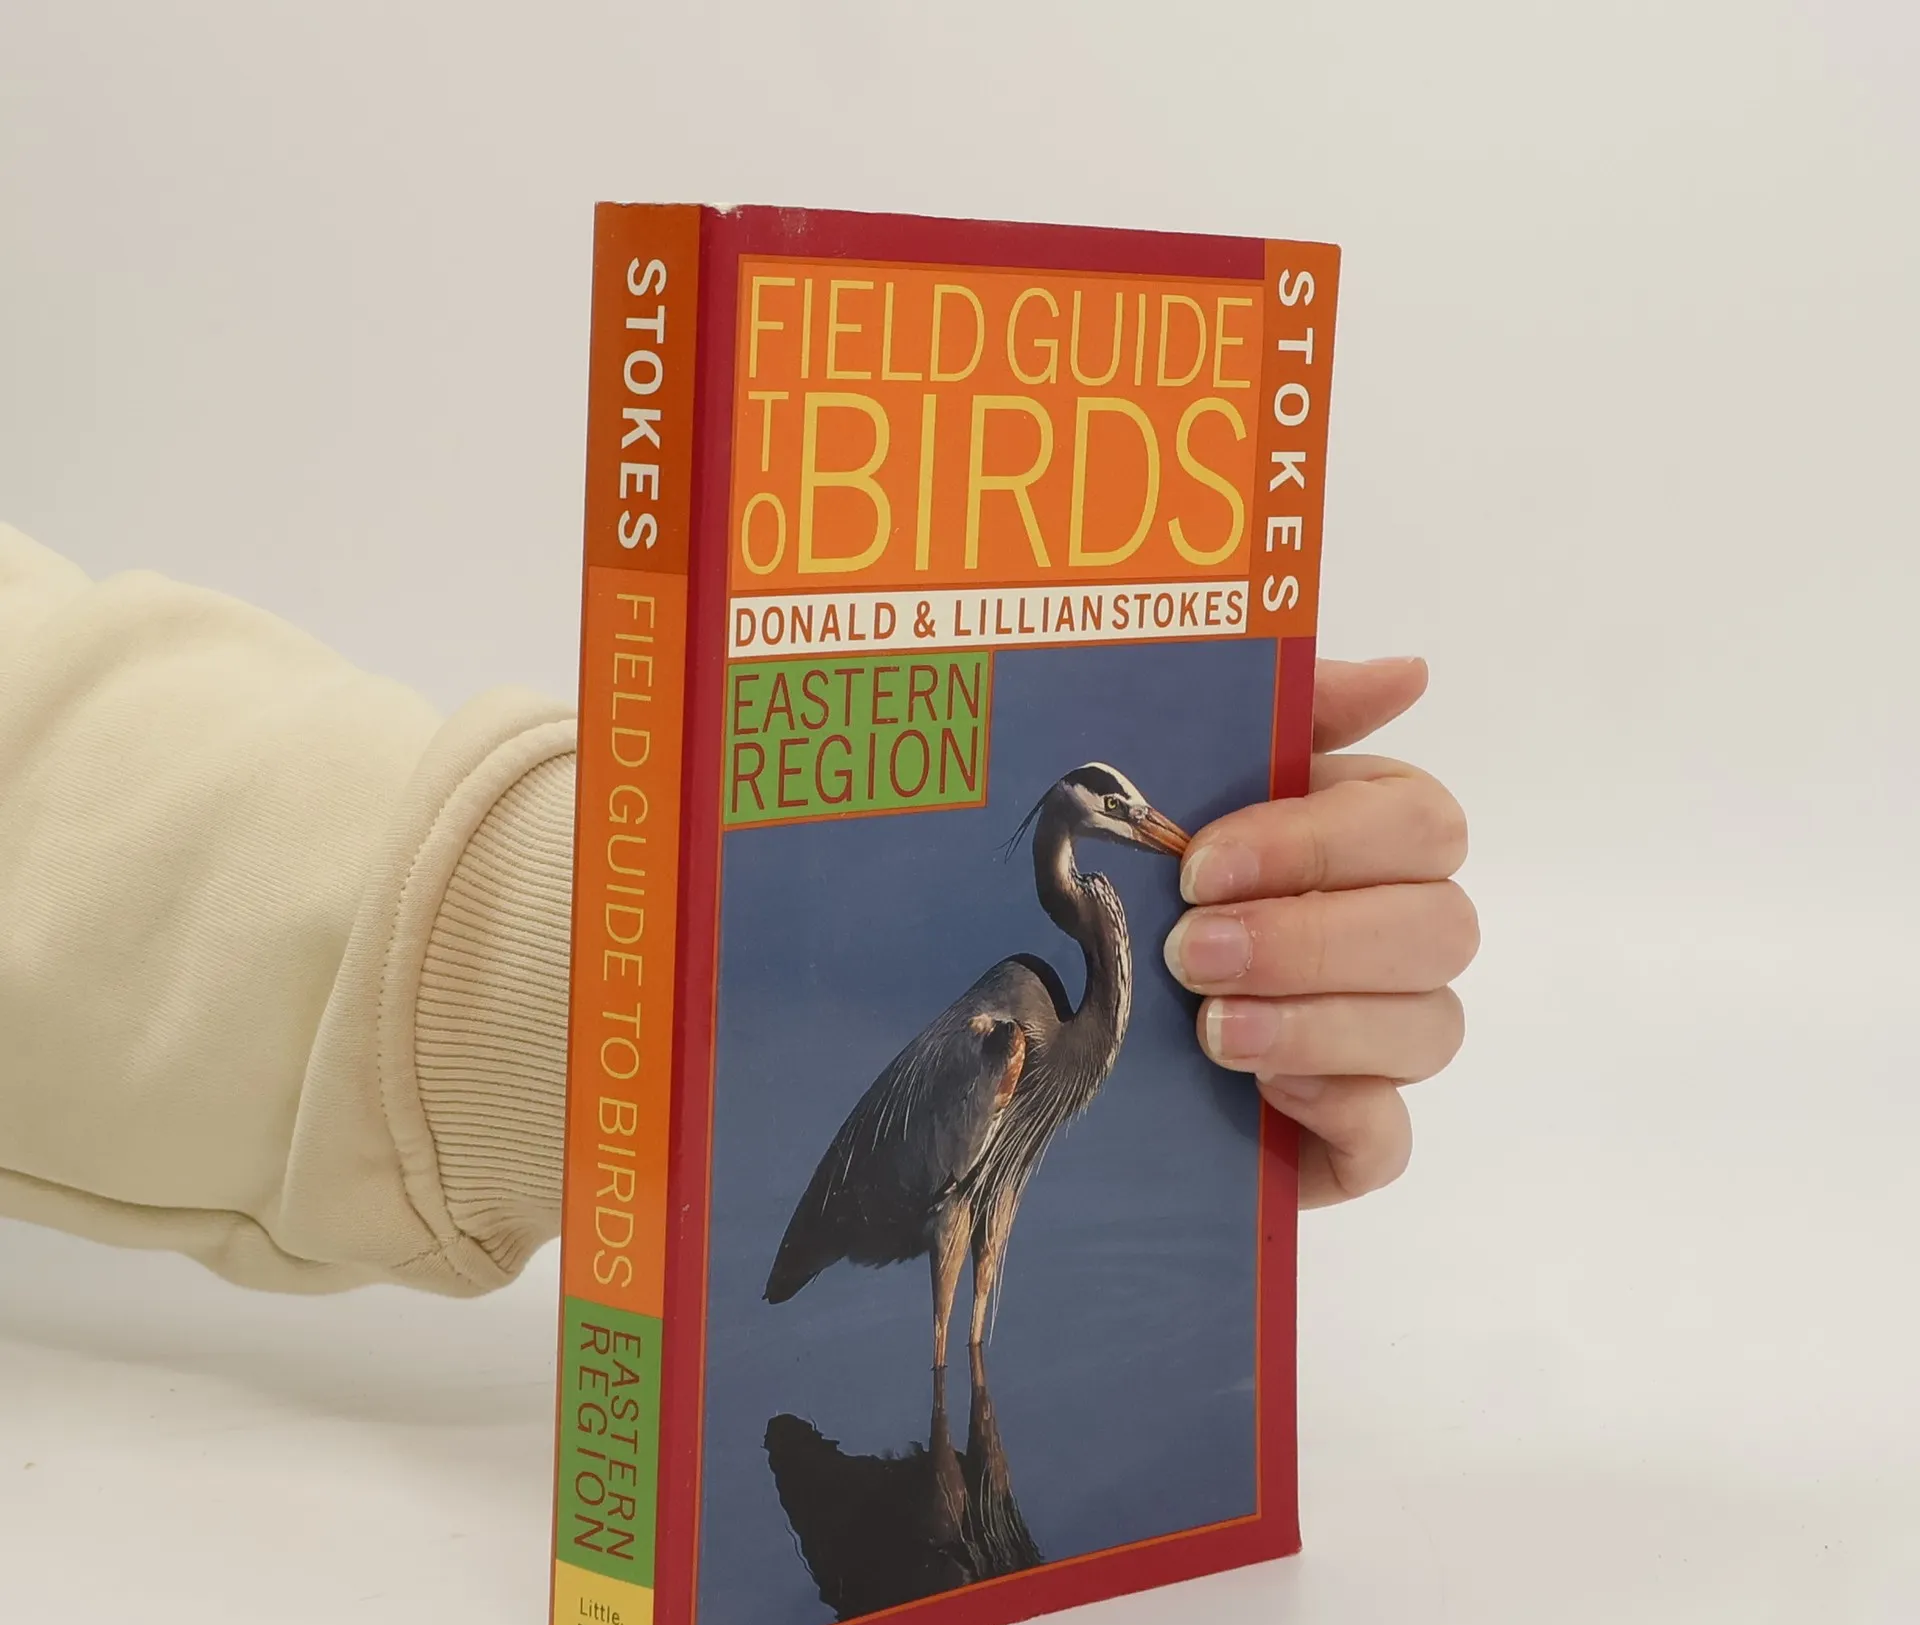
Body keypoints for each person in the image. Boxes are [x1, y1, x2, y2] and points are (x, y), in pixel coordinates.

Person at [0, 524, 1477, 1297]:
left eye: (1148, 819)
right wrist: (610, 976)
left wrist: (614, 927)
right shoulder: (1014, 1006)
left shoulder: (1053, 987)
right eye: (1124, 814)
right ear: (1072, 834)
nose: (1152, 833)